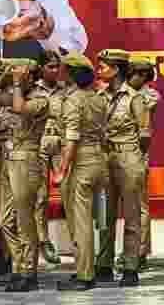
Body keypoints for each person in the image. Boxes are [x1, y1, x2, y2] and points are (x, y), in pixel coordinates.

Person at [0, 58, 50, 293]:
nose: (21, 78)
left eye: (25, 75)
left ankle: (28, 272)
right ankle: (18, 266)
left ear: (32, 77)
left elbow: (21, 108)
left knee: (25, 220)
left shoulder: (41, 99)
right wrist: (5, 77)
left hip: (27, 160)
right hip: (9, 161)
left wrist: (19, 84)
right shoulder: (15, 94)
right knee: (6, 220)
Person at [53, 52, 108, 291]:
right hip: (97, 159)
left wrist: (62, 170)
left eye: (64, 68)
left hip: (80, 162)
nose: (60, 72)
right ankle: (85, 270)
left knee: (81, 221)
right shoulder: (97, 98)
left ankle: (85, 275)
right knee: (87, 218)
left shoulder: (74, 99)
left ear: (72, 73)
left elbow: (72, 137)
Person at [93, 49, 146, 287]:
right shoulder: (99, 96)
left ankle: (130, 267)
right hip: (104, 158)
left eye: (103, 66)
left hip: (128, 156)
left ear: (116, 70)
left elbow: (145, 134)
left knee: (132, 215)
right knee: (104, 214)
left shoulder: (134, 98)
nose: (99, 70)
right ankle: (103, 264)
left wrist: (132, 156)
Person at [128, 56, 158, 270]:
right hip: (115, 153)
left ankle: (140, 252)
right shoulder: (120, 91)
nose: (133, 77)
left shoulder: (150, 96)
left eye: (138, 73)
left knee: (140, 205)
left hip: (138, 153)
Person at [33, 50, 64, 266]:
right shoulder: (33, 91)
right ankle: (43, 240)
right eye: (50, 66)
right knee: (40, 197)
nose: (54, 70)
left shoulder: (66, 91)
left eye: (57, 66)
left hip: (61, 145)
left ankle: (78, 241)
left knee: (70, 194)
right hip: (39, 144)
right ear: (42, 68)